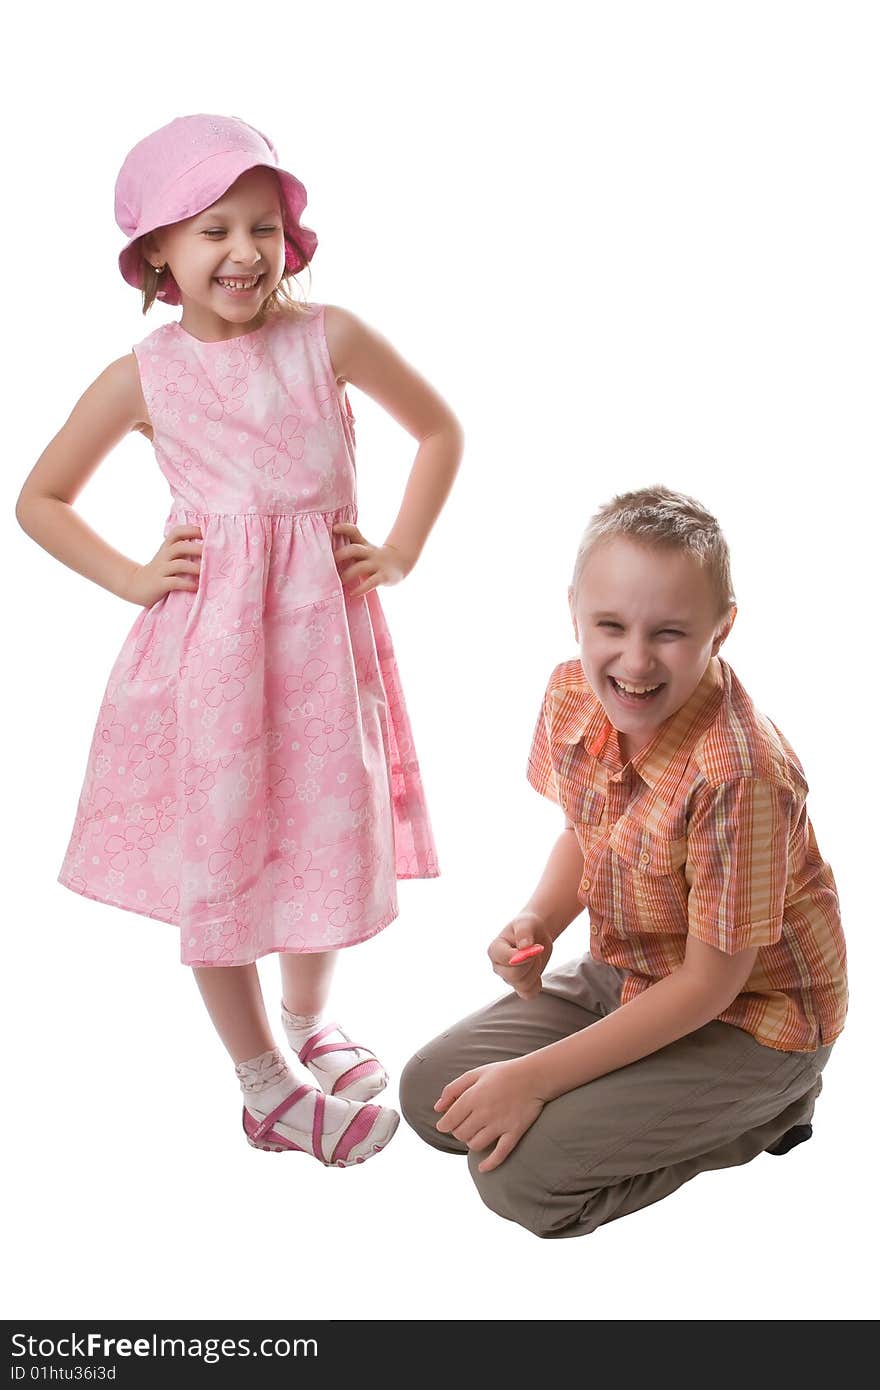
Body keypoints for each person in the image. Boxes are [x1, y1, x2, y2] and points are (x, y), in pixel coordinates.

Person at [16, 113, 463, 1168]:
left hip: (320, 655)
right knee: (220, 863)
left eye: (260, 224)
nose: (244, 251)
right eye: (211, 229)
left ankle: (310, 1024)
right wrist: (132, 575)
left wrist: (396, 549)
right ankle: (264, 1080)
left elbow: (440, 428)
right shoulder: (146, 377)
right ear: (157, 254)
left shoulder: (329, 340)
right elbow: (39, 498)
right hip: (208, 665)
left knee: (321, 836)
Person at [400, 486, 846, 1235]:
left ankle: (775, 1108)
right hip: (630, 974)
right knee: (432, 1097)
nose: (634, 661)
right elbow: (586, 831)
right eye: (610, 625)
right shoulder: (574, 692)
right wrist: (538, 917)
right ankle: (619, 1089)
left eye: (670, 633)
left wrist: (536, 1080)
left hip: (749, 1021)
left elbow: (710, 986)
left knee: (521, 1182)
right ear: (574, 610)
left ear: (720, 629)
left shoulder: (739, 774)